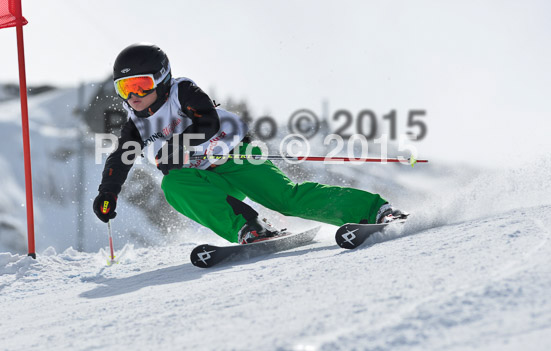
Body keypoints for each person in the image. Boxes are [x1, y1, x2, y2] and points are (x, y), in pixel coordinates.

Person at [93, 43, 406, 244]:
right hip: (207, 178)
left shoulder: (182, 91)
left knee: (286, 200)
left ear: (161, 78)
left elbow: (207, 121)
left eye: (140, 85)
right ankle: (249, 228)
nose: (133, 96)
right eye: (124, 88)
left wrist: (178, 144)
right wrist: (107, 192)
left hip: (238, 157)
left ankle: (375, 210)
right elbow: (121, 157)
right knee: (173, 185)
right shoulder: (136, 123)